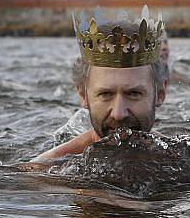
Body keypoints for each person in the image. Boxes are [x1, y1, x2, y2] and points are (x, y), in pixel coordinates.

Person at [34, 9, 168, 161]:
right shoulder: (47, 171)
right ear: (83, 95)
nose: (118, 114)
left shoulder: (185, 160)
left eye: (133, 94)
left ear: (160, 94)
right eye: (106, 94)